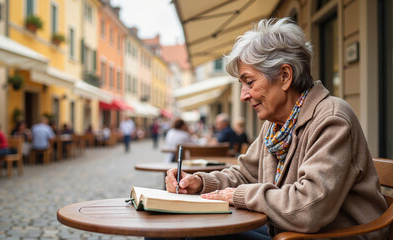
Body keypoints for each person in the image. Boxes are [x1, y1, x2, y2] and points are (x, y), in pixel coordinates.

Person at [165, 18, 388, 239]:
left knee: (201, 237)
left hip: (330, 235)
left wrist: (239, 195)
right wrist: (200, 183)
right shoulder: (274, 126)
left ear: (284, 76)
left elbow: (308, 209)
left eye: (249, 82)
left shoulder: (332, 118)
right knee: (170, 228)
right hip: (283, 230)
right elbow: (245, 175)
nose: (243, 95)